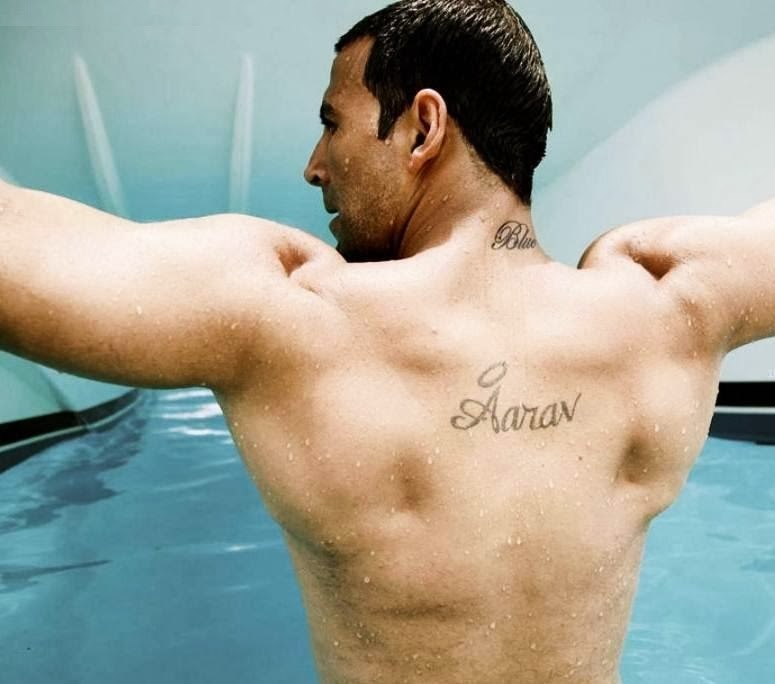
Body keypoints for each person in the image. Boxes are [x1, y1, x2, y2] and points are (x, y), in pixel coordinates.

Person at [0, 0, 773, 681]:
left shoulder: (296, 320)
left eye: (332, 124)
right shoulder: (670, 306)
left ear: (422, 127)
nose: (314, 167)